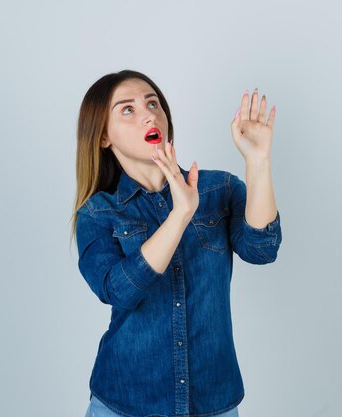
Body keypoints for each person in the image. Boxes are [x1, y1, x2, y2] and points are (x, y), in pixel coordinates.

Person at [70, 69, 283, 417]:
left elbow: (262, 249)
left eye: (153, 103)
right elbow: (119, 291)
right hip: (125, 403)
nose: (149, 114)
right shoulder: (97, 212)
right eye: (128, 109)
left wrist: (258, 161)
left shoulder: (218, 190)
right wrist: (179, 215)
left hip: (213, 402)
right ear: (103, 137)